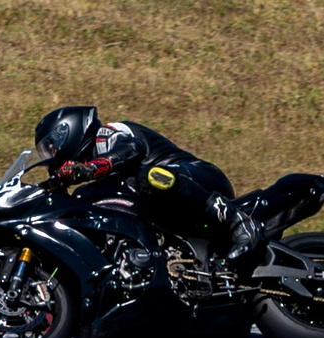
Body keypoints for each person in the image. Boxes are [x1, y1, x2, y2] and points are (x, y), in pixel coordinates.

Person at [33, 104, 266, 267]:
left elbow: (133, 150)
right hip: (170, 206)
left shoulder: (107, 134)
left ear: (68, 130)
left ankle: (239, 222)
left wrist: (89, 169)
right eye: (46, 152)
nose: (52, 155)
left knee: (148, 177)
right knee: (86, 198)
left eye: (52, 147)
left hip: (197, 177)